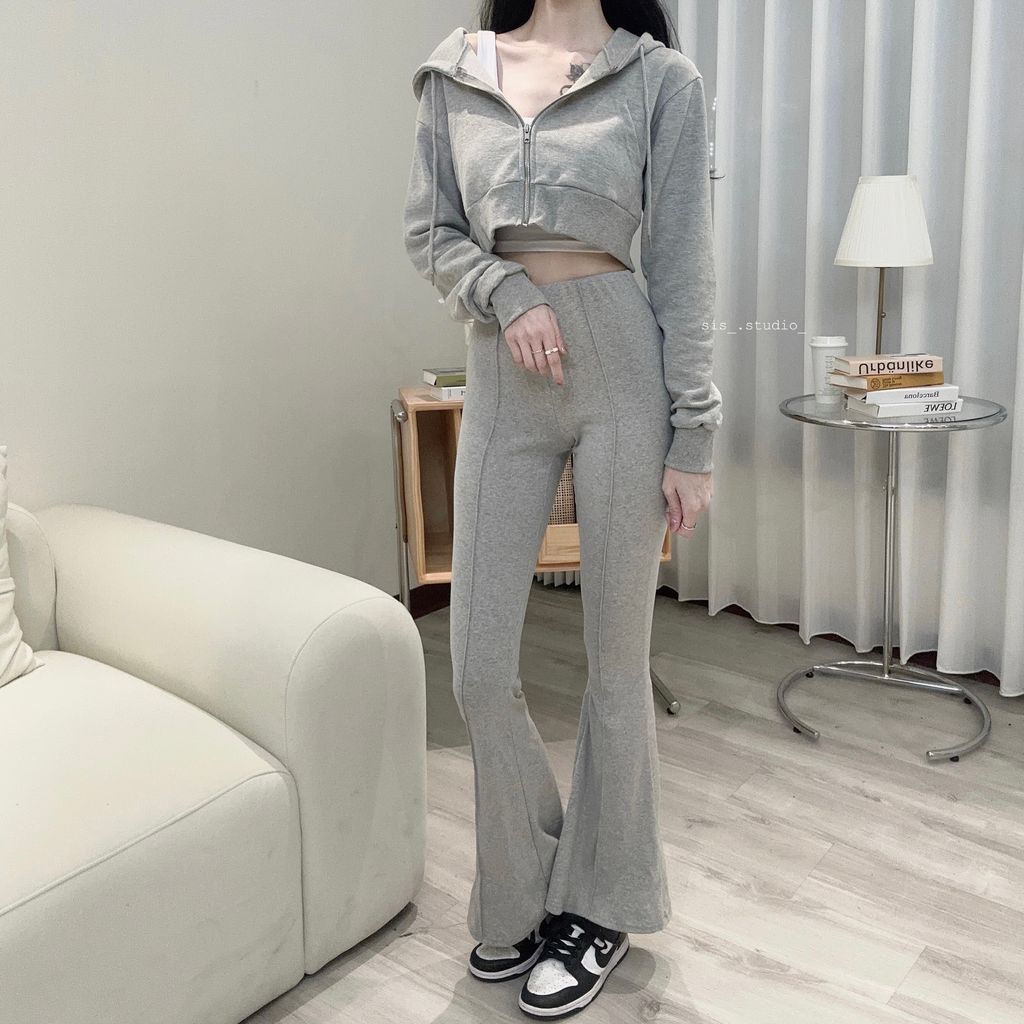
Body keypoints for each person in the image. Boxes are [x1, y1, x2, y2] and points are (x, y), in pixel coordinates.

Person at [403, 1, 722, 1017]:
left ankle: (599, 905)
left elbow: (683, 261)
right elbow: (430, 230)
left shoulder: (659, 80)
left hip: (623, 369)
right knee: (476, 663)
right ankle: (525, 883)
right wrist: (505, 290)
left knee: (615, 662)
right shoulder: (457, 73)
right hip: (506, 371)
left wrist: (696, 433)